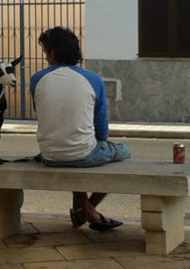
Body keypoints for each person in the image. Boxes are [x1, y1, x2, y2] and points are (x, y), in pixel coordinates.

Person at [29, 26, 131, 231]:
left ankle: (84, 209)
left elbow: (43, 115)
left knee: (73, 152)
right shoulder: (94, 80)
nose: (45, 57)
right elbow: (102, 132)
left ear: (53, 52)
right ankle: (89, 210)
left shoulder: (36, 79)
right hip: (82, 154)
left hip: (49, 155)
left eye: (46, 52)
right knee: (122, 152)